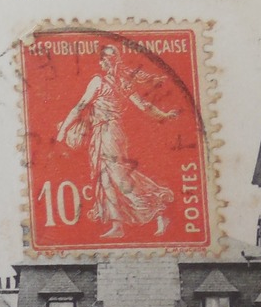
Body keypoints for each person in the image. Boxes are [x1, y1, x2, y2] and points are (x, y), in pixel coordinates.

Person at [55, 43, 179, 239]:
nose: (107, 63)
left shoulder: (111, 82)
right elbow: (143, 106)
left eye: (110, 59)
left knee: (120, 179)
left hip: (110, 133)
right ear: (102, 62)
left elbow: (81, 107)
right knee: (105, 178)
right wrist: (163, 114)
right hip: (102, 133)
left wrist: (62, 131)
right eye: (106, 59)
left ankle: (159, 211)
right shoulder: (109, 82)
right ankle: (117, 225)